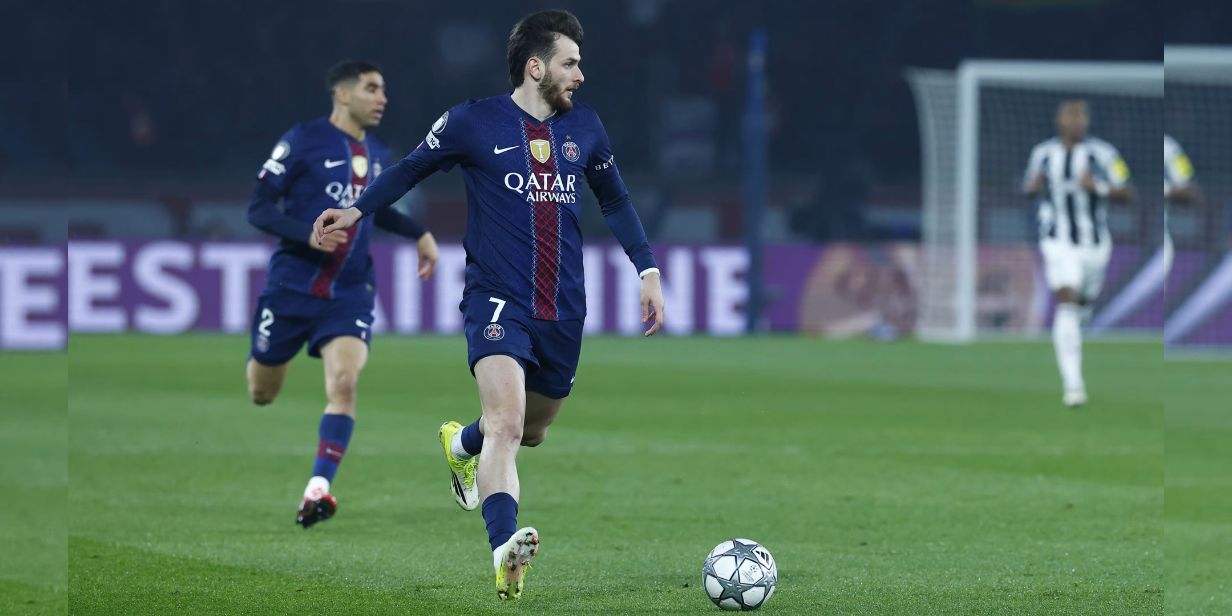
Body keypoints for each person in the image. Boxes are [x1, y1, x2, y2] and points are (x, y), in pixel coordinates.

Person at [313, 10, 665, 599]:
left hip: (563, 306)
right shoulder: (472, 122)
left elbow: (616, 201)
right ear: (536, 67)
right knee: (507, 421)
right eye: (571, 63)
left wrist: (647, 270)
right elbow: (409, 169)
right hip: (496, 298)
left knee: (534, 430)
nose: (581, 74)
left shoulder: (587, 128)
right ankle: (505, 548)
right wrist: (355, 211)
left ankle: (461, 446)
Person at [245, 60, 439, 528]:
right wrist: (306, 236)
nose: (382, 98)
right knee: (262, 392)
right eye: (372, 88)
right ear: (342, 94)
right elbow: (258, 208)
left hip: (349, 292)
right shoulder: (303, 139)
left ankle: (318, 488)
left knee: (345, 383)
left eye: (383, 89)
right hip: (292, 286)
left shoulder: (379, 151)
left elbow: (376, 210)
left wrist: (418, 233)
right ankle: (266, 364)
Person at [1022, 99, 1134, 407]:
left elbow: (1128, 192)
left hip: (1095, 244)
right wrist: (1033, 187)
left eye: (1080, 116)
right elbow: (1029, 187)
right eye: (1070, 116)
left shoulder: (1104, 154)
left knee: (1082, 305)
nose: (1076, 122)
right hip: (1057, 241)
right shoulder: (1043, 154)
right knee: (1067, 301)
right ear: (1059, 121)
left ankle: (1075, 331)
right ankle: (1073, 386)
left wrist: (1099, 188)